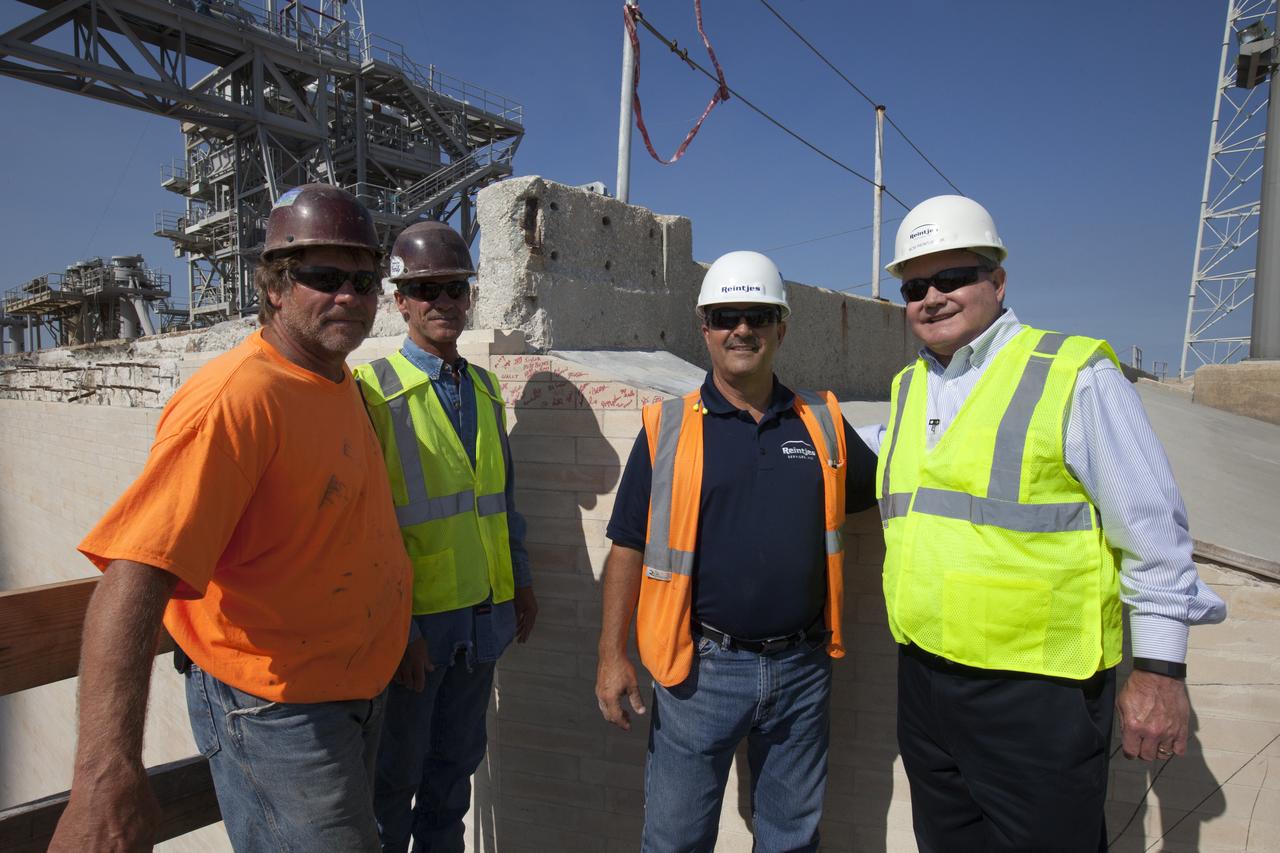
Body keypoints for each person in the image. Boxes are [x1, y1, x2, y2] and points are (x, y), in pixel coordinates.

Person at [49, 183, 412, 852]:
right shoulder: (236, 398)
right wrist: (104, 774)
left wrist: (397, 635)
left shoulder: (342, 385)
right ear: (273, 286)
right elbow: (135, 574)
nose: (350, 296)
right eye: (323, 277)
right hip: (279, 711)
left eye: (363, 279)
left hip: (358, 689)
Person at [864, 194, 1228, 851]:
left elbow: (1153, 533)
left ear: (997, 281)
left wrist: (1160, 671)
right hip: (924, 681)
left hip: (1037, 695)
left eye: (952, 278)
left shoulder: (1071, 373)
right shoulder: (908, 388)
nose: (932, 297)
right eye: (915, 285)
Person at [594, 251, 878, 853]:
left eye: (757, 315)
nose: (741, 329)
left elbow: (892, 494)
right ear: (705, 328)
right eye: (725, 316)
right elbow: (627, 545)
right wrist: (611, 657)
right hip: (700, 671)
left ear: (782, 327)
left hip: (802, 670)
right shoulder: (667, 429)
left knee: (790, 841)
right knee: (675, 841)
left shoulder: (823, 423)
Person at [355, 221, 537, 853]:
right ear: (400, 301)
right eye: (426, 289)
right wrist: (397, 628)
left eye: (454, 289)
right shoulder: (374, 392)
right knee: (391, 788)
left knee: (451, 781)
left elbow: (500, 501)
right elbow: (364, 528)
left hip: (482, 620)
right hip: (417, 630)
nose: (443, 302)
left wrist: (522, 584)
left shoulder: (485, 388)